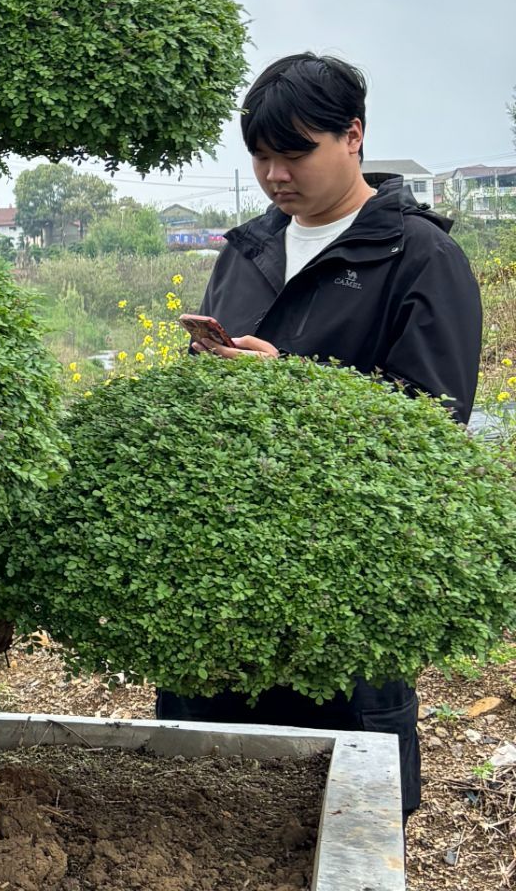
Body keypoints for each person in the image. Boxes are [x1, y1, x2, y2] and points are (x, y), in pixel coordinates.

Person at [155, 52, 483, 817]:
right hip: (223, 567)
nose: (275, 175)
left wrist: (294, 389)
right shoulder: (250, 249)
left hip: (345, 576)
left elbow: (431, 427)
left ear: (354, 136)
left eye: (294, 152)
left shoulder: (418, 257)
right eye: (261, 157)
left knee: (340, 806)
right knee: (202, 796)